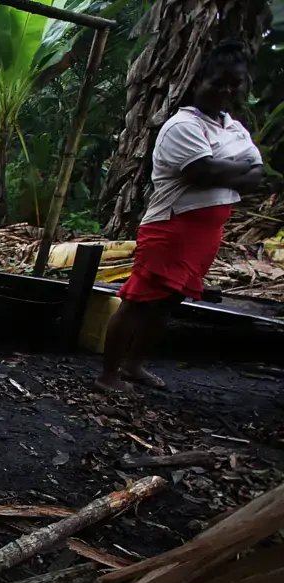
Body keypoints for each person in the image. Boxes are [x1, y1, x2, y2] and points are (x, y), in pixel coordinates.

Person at [97, 40, 266, 392]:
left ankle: (134, 365)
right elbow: (200, 172)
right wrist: (233, 167)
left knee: (168, 303)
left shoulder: (233, 128)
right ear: (198, 82)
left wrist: (225, 168)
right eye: (218, 82)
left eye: (233, 83)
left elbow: (256, 175)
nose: (226, 90)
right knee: (139, 301)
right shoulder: (182, 126)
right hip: (171, 226)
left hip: (204, 235)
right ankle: (108, 376)